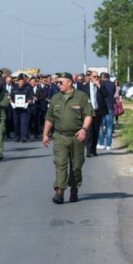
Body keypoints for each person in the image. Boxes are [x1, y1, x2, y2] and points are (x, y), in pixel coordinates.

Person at [42, 72, 93, 204]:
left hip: (77, 136)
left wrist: (84, 129)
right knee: (60, 163)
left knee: (76, 166)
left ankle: (74, 188)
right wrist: (45, 134)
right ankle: (59, 191)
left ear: (69, 82)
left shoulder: (81, 96)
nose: (58, 84)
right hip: (60, 136)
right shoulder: (55, 98)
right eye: (57, 82)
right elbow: (49, 118)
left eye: (60, 82)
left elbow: (88, 115)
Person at [83, 70, 109, 157]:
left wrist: (99, 86)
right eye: (94, 76)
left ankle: (94, 150)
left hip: (98, 111)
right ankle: (89, 151)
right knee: (89, 131)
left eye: (97, 76)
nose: (96, 78)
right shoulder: (85, 87)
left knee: (96, 131)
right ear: (90, 77)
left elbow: (106, 95)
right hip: (88, 111)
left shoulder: (101, 86)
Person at [10, 74, 32, 142]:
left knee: (23, 123)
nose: (21, 82)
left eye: (23, 81)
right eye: (20, 81)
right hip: (16, 109)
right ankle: (17, 136)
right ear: (18, 81)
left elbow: (30, 98)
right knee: (16, 123)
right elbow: (10, 97)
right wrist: (12, 103)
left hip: (24, 109)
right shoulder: (14, 88)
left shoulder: (27, 88)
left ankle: (23, 137)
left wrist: (27, 103)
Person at [98, 73, 115, 150]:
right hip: (110, 107)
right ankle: (108, 145)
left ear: (103, 77)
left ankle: (101, 143)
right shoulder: (112, 84)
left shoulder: (100, 83)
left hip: (101, 107)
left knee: (100, 126)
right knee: (109, 127)